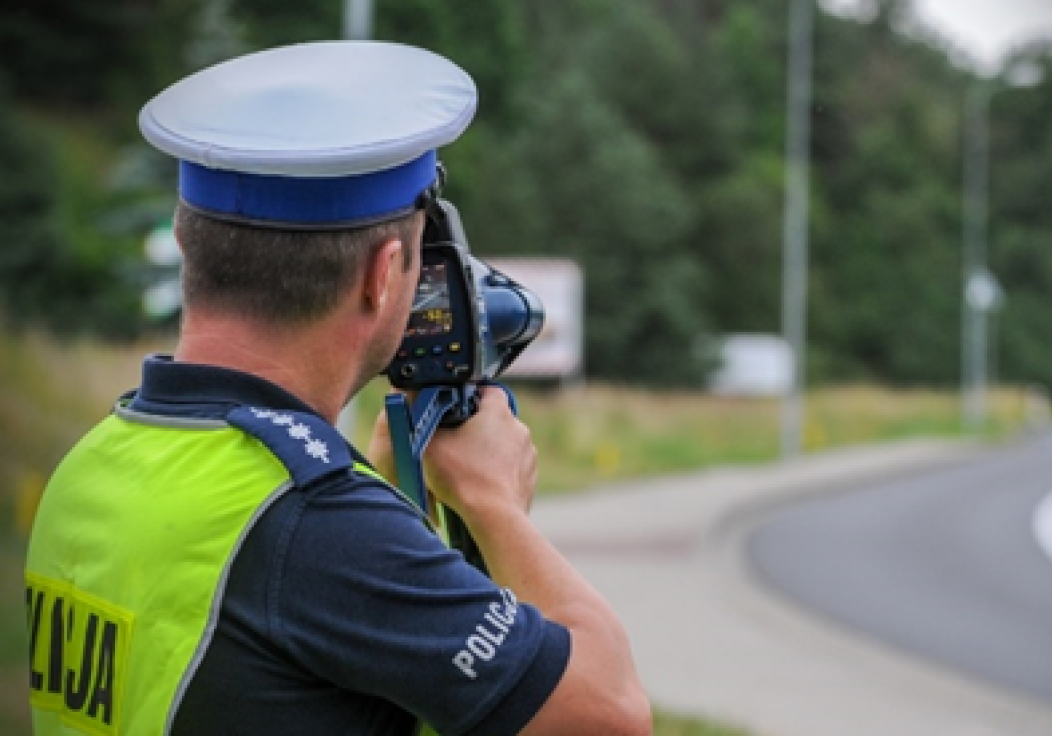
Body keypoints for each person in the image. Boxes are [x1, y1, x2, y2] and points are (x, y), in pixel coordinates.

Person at [24, 41, 651, 736]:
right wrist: (493, 503)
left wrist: (389, 501)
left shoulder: (91, 464)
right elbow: (609, 714)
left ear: (183, 239)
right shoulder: (313, 524)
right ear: (383, 275)